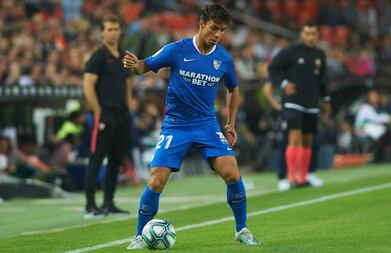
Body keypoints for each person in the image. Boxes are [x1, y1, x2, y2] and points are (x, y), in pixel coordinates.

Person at [123, 4, 260, 249]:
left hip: (207, 125)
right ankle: (139, 236)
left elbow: (233, 89)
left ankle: (242, 229)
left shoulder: (223, 58)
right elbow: (145, 65)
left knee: (232, 172)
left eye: (222, 30)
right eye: (214, 28)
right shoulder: (178, 49)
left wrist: (229, 123)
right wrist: (135, 64)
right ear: (202, 24)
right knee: (156, 181)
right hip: (176, 125)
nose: (217, 34)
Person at [267, 22, 330, 188]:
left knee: (308, 140)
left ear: (317, 35)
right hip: (293, 102)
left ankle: (303, 178)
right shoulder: (291, 52)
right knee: (294, 139)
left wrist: (326, 99)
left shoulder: (320, 54)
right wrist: (283, 84)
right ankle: (290, 178)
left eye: (314, 33)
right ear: (302, 35)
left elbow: (323, 79)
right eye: (307, 33)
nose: (310, 37)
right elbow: (273, 68)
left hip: (312, 102)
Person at [83, 15, 133, 218]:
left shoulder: (123, 55)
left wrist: (129, 108)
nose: (113, 32)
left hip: (122, 115)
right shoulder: (98, 57)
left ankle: (108, 203)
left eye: (116, 29)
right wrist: (98, 112)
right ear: (102, 32)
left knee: (115, 161)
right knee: (96, 159)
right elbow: (88, 86)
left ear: (120, 31)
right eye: (109, 29)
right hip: (105, 114)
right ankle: (90, 206)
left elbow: (128, 83)